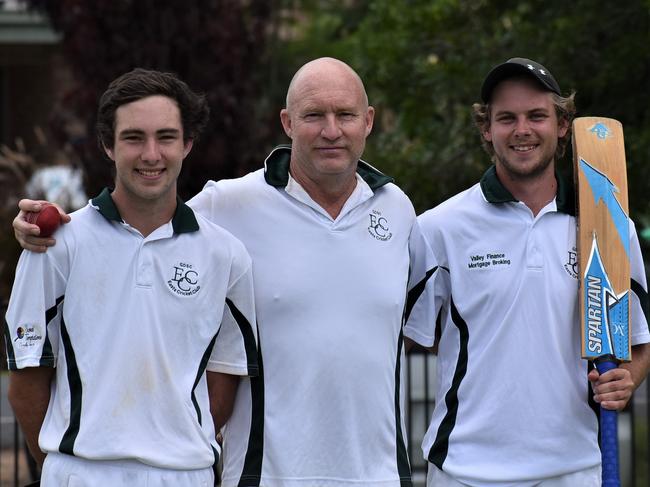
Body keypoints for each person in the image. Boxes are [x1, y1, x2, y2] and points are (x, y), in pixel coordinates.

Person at [12, 57, 437, 487]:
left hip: (380, 477)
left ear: (367, 121)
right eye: (313, 115)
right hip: (261, 478)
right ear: (288, 123)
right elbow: (142, 217)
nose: (331, 130)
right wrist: (42, 229)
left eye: (345, 115)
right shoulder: (227, 206)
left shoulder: (398, 209)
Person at [5, 68, 258, 486]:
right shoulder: (56, 245)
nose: (151, 154)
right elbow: (25, 382)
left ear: (187, 143)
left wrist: (171, 448)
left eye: (166, 137)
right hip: (80, 473)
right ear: (108, 145)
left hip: (185, 476)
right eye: (134, 137)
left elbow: (225, 378)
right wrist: (64, 466)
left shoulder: (226, 255)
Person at [404, 57, 650, 486]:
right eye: (506, 118)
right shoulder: (439, 229)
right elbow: (412, 336)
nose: (522, 130)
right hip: (465, 471)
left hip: (576, 467)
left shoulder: (610, 225)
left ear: (561, 125)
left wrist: (626, 380)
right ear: (487, 129)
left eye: (537, 115)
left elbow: (638, 341)